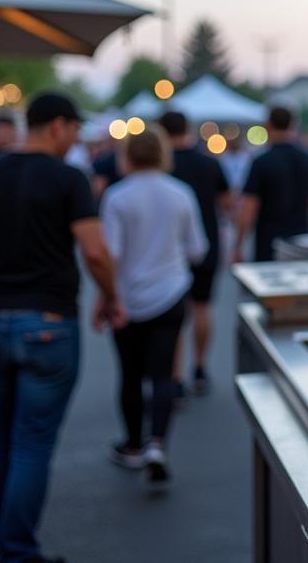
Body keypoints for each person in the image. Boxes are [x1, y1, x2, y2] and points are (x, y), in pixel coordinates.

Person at [0, 92, 123, 563]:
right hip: (46, 323)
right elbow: (94, 250)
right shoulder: (69, 179)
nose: (75, 139)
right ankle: (17, 550)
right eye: (73, 129)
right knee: (32, 443)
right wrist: (110, 295)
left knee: (0, 432)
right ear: (57, 126)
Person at [99, 126, 207, 488]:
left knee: (130, 375)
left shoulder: (117, 196)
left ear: (127, 154)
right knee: (163, 374)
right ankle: (157, 444)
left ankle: (132, 444)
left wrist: (106, 297)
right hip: (172, 292)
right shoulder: (181, 194)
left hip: (128, 297)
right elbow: (198, 249)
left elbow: (110, 254)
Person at [157, 111, 231, 395]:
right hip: (206, 244)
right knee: (202, 308)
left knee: (173, 314)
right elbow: (227, 203)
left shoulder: (163, 166)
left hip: (169, 248)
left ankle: (174, 377)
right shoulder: (209, 163)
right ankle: (199, 367)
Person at [234, 107, 308, 262]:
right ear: (292, 125)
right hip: (301, 239)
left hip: (269, 241)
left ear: (268, 124)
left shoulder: (261, 162)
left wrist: (238, 245)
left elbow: (249, 207)